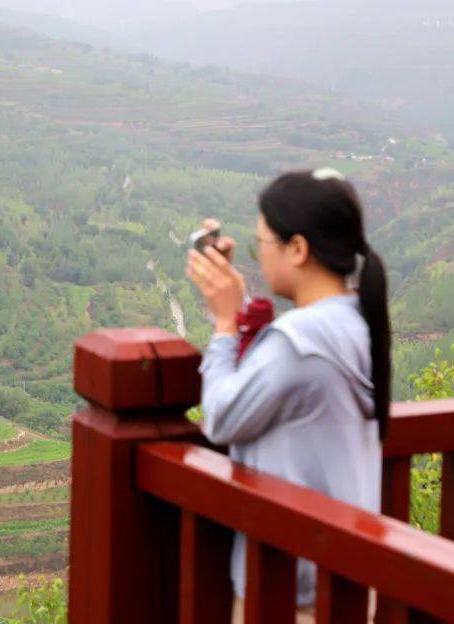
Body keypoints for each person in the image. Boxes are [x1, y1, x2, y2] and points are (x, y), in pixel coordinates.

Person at [184, 168, 389, 622]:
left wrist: (222, 324)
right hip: (348, 578)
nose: (260, 257)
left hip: (289, 592)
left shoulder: (300, 342)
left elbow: (220, 417)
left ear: (297, 249)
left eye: (264, 245)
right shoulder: (352, 320)